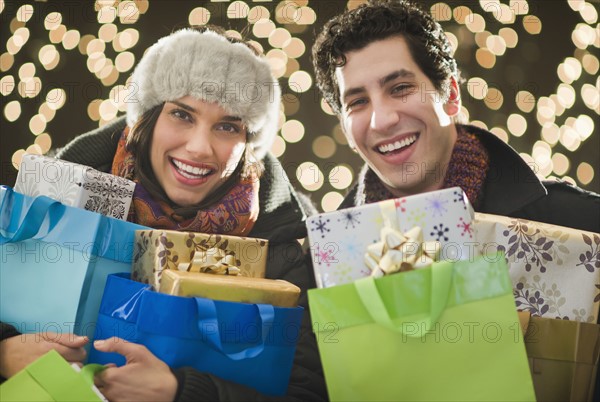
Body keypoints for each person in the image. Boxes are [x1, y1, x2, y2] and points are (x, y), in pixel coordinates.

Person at [0, 26, 327, 401]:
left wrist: (182, 391)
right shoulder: (48, 203)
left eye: (226, 126)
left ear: (248, 142)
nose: (199, 147)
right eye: (182, 115)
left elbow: (310, 392)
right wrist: (4, 351)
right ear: (148, 117)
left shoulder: (290, 244)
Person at [311, 0, 599, 232]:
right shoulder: (319, 263)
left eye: (400, 88)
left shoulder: (579, 224)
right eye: (358, 101)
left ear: (450, 96)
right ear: (344, 128)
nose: (382, 120)